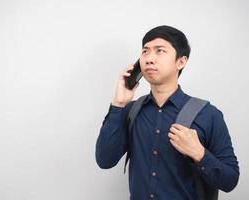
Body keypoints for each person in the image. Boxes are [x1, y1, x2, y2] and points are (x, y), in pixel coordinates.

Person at [95, 25, 239, 200]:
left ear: (181, 61)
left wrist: (199, 153)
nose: (149, 59)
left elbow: (230, 180)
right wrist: (118, 105)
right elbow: (104, 161)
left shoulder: (208, 114)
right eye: (145, 51)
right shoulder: (130, 111)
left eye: (159, 51)